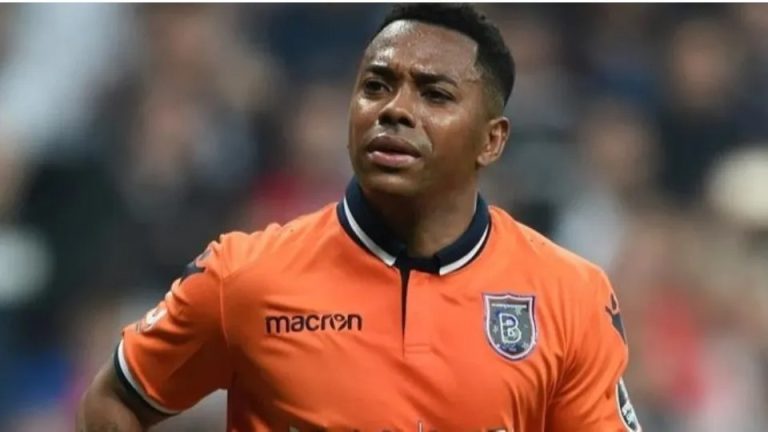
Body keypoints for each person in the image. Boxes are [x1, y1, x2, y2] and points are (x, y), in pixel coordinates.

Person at [77, 4, 642, 431]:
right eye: (376, 86)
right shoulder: (244, 277)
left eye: (434, 95)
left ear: (491, 141)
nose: (394, 109)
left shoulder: (570, 296)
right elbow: (114, 402)